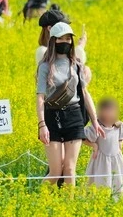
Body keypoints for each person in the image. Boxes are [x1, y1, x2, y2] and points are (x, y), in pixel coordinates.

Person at [36, 22, 103, 186]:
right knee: (55, 171)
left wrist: (95, 121)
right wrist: (42, 125)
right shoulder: (45, 66)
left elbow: (85, 94)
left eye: (68, 38)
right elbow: (40, 98)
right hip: (52, 116)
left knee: (70, 169)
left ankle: (69, 206)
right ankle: (38, 199)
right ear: (53, 41)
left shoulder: (77, 65)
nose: (65, 42)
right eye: (61, 39)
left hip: (73, 117)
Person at [83, 98, 123, 199]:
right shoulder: (97, 128)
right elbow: (81, 137)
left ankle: (118, 200)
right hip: (100, 162)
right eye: (106, 111)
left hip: (116, 161)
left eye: (111, 111)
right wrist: (93, 145)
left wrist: (121, 142)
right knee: (99, 183)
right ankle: (99, 200)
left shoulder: (119, 127)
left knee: (118, 181)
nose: (108, 114)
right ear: (99, 112)